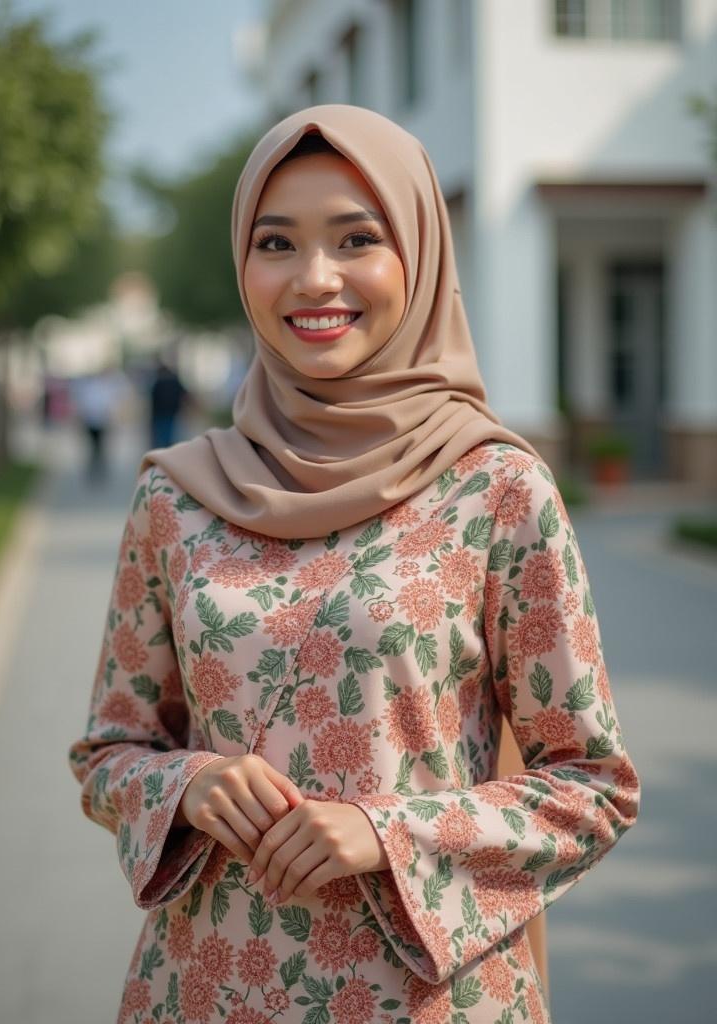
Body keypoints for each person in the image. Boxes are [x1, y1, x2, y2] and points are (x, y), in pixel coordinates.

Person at [69, 106, 639, 1024]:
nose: (314, 278)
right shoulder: (175, 496)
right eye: (277, 241)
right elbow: (108, 751)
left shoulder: (495, 488)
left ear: (418, 255)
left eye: (357, 238)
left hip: (429, 1002)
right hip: (206, 989)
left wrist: (389, 831)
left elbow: (593, 788)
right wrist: (187, 783)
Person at [149, 353, 188, 450]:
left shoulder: (158, 382)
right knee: (169, 436)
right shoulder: (174, 381)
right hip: (171, 413)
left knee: (162, 437)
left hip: (160, 414)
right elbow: (184, 395)